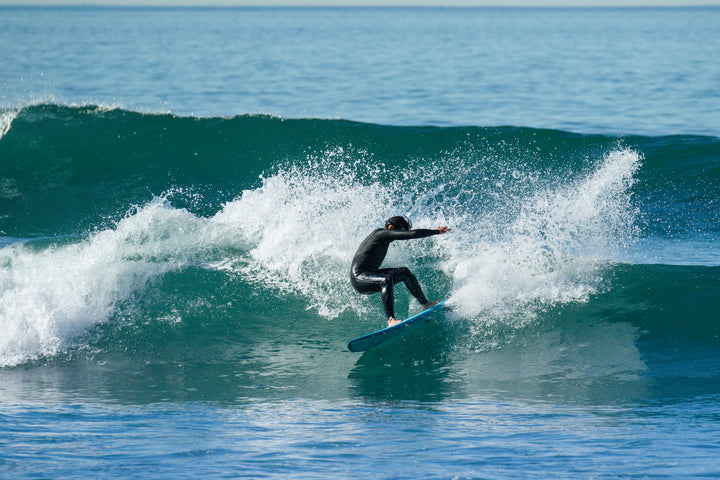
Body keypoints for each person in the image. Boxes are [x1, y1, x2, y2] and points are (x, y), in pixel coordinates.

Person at [350, 216, 451, 327]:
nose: (397, 235)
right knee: (387, 279)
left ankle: (426, 304)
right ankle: (391, 320)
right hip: (359, 278)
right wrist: (436, 231)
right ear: (391, 227)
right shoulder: (381, 233)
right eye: (398, 231)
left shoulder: (383, 236)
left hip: (369, 275)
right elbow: (412, 234)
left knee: (404, 272)